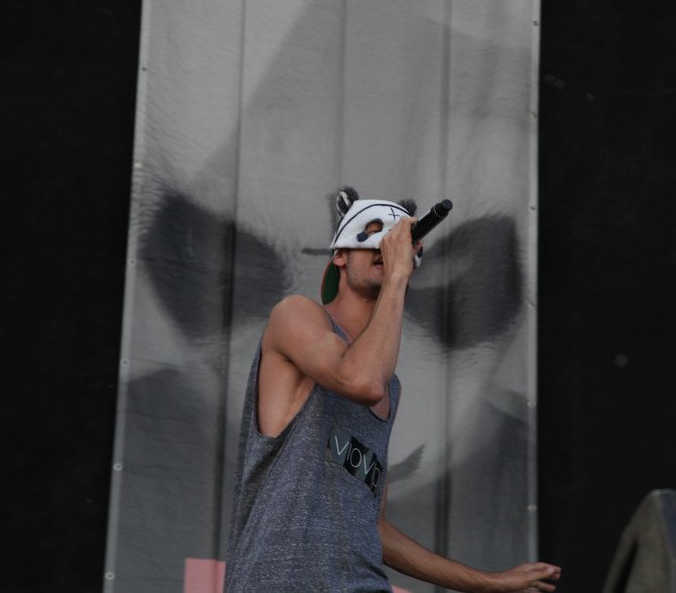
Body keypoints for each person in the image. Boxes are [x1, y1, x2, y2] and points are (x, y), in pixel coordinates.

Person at [224, 188, 561, 592]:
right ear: (340, 255)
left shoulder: (390, 387)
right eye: (373, 233)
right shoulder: (296, 315)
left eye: (398, 239)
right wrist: (396, 275)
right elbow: (359, 381)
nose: (387, 244)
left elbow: (374, 527)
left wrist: (489, 582)